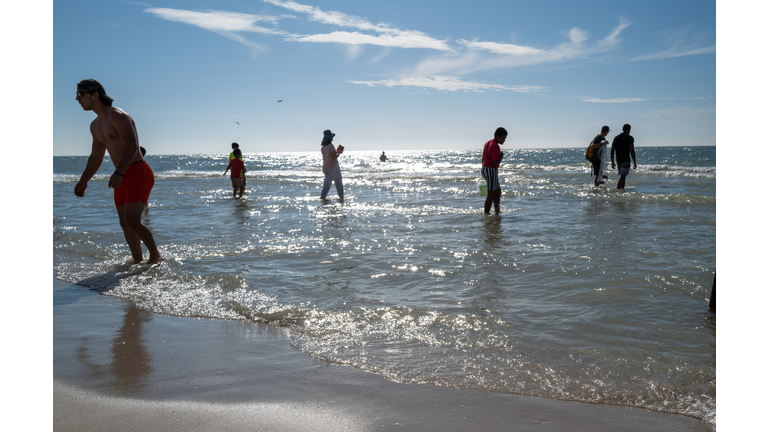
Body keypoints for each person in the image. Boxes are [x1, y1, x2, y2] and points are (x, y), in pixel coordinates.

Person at [74, 79, 161, 263]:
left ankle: (155, 256)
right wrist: (84, 180)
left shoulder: (118, 116)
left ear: (95, 94)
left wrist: (119, 172)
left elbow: (132, 146)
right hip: (121, 174)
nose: (77, 98)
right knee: (124, 223)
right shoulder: (95, 125)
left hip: (137, 171)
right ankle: (137, 261)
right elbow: (96, 156)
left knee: (132, 220)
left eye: (81, 94)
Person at [481, 127, 507, 214]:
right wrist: (501, 156)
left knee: (498, 191)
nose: (504, 140)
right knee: (491, 194)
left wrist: (483, 168)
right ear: (497, 136)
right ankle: (486, 214)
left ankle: (497, 211)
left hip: (486, 169)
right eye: (503, 138)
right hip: (491, 170)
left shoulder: (488, 143)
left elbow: (483, 157)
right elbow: (496, 162)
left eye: (505, 138)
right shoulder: (495, 146)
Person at [610, 124, 637, 189]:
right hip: (626, 159)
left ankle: (622, 190)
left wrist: (612, 162)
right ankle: (618, 189)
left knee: (623, 176)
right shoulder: (630, 138)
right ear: (628, 129)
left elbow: (612, 150)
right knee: (623, 176)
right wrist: (634, 162)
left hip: (618, 160)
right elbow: (632, 150)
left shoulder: (616, 138)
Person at [320, 129, 344, 200]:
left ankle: (322, 198)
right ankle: (341, 198)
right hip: (333, 167)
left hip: (326, 168)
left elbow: (329, 156)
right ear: (330, 138)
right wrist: (339, 152)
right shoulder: (331, 146)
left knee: (326, 184)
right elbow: (334, 157)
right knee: (338, 183)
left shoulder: (323, 147)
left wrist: (336, 153)